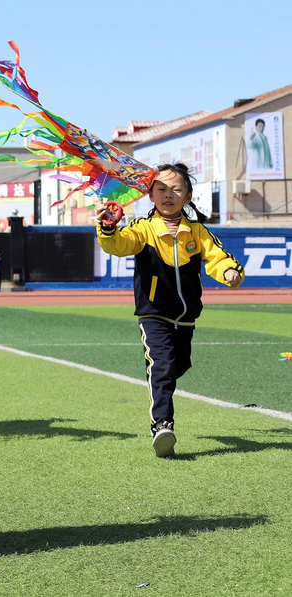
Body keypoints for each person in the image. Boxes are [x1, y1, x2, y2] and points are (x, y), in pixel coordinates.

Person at [95, 163, 244, 458]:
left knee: (179, 366)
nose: (168, 195)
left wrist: (230, 271)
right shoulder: (143, 229)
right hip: (153, 313)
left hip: (186, 317)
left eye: (176, 189)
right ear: (150, 194)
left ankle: (159, 381)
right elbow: (120, 244)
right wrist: (109, 227)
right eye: (161, 189)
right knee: (161, 367)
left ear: (187, 196)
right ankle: (162, 425)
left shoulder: (197, 232)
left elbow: (218, 256)